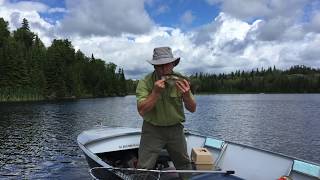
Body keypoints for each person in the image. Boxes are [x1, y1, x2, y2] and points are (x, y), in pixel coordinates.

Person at [136, 47, 197, 171]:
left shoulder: (182, 80)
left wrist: (186, 95)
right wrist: (155, 93)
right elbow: (142, 110)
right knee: (144, 167)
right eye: (159, 66)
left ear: (173, 64)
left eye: (167, 65)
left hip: (176, 129)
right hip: (152, 130)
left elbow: (192, 108)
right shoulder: (145, 82)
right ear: (154, 67)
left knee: (184, 164)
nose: (164, 69)